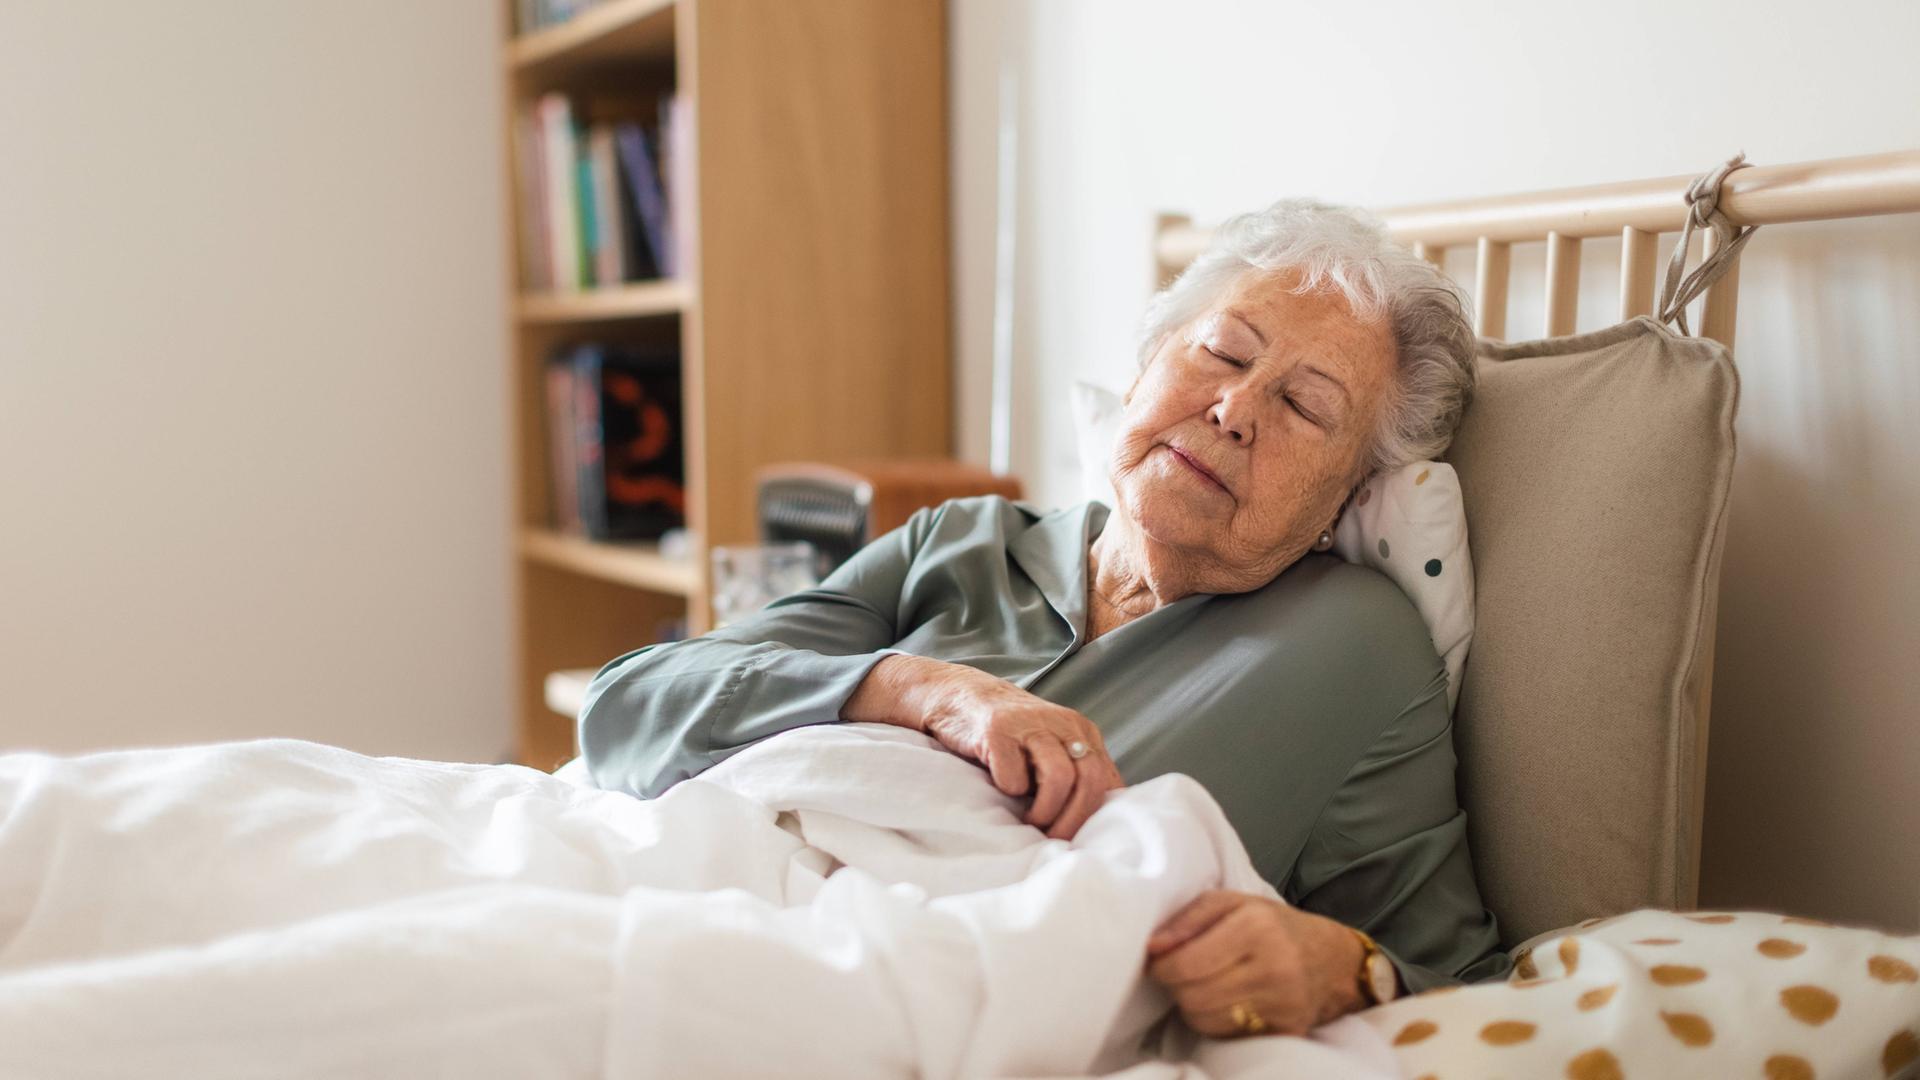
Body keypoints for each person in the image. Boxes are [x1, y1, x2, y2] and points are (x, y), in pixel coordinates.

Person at [578, 198, 1511, 1038]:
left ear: (1346, 497)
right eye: (1224, 353)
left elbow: (1464, 980)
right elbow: (628, 706)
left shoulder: (1351, 647)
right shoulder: (961, 543)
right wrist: (926, 691)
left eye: (1305, 407)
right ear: (1150, 363)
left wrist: (1338, 969)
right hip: (693, 905)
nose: (1234, 407)